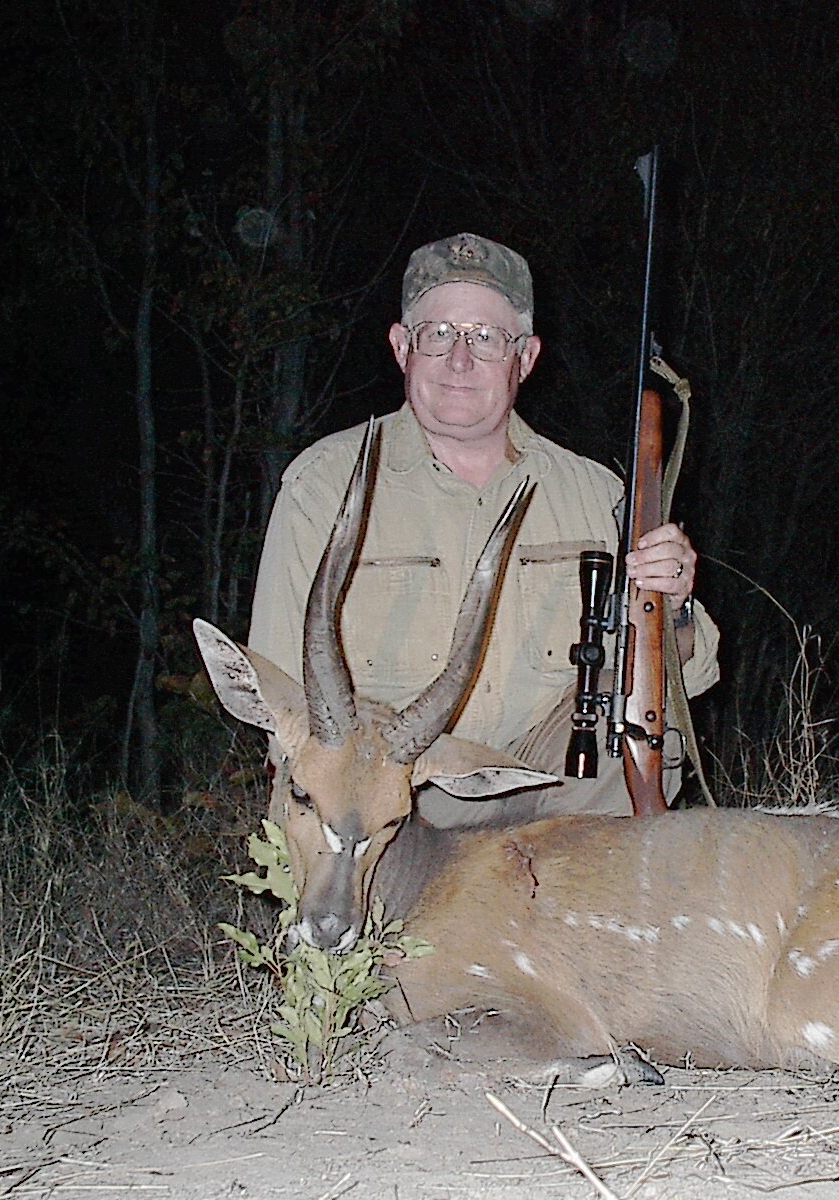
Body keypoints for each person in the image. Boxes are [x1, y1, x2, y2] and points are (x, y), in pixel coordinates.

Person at [248, 232, 719, 826]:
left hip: (548, 795)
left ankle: (585, 905)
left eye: (487, 339)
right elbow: (278, 701)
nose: (460, 360)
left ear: (525, 358)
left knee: (632, 723)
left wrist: (671, 604)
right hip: (400, 803)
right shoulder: (322, 486)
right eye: (438, 334)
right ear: (401, 347)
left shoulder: (596, 493)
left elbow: (687, 680)